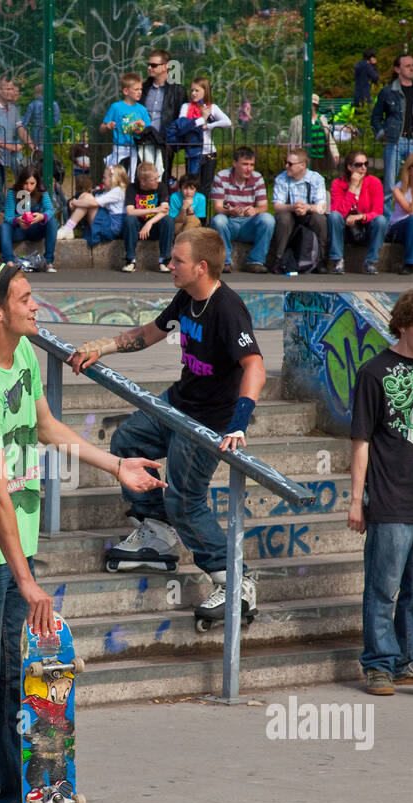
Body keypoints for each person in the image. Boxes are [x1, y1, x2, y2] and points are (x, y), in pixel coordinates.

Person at [0, 258, 163, 803]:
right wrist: (26, 580)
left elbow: (46, 428)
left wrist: (116, 464)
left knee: (18, 684)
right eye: (26, 298)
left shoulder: (26, 357)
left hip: (12, 551)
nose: (37, 306)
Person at [70, 228, 264, 625]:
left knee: (185, 499)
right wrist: (99, 347)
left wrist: (239, 424)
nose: (169, 265)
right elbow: (147, 335)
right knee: (127, 440)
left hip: (208, 422)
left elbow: (255, 367)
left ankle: (235, 580)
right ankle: (157, 530)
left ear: (201, 267)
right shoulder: (186, 297)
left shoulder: (227, 309)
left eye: (177, 260)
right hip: (178, 404)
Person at [348, 288, 413, 696]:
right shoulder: (374, 372)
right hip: (389, 498)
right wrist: (357, 500)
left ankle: (408, 658)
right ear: (404, 326)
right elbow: (360, 440)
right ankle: (378, 665)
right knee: (383, 585)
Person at [370, 54, 413, 215]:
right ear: (397, 69)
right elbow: (376, 117)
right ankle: (387, 220)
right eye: (407, 66)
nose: (412, 68)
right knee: (390, 184)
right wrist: (382, 133)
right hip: (395, 140)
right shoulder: (388, 92)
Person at [209, 147, 275, 274]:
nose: (249, 168)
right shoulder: (221, 177)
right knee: (218, 220)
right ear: (235, 164)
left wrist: (255, 210)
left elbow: (264, 207)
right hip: (230, 222)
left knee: (268, 219)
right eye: (245, 164)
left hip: (248, 224)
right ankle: (225, 262)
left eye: (252, 165)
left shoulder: (257, 178)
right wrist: (229, 211)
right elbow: (217, 208)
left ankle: (256, 261)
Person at [270, 147, 329, 274]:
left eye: (290, 164)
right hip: (290, 212)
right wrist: (293, 207)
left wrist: (307, 207)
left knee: (320, 219)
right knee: (283, 218)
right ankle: (279, 259)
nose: (286, 166)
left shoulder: (316, 179)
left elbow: (321, 206)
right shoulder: (281, 179)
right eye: (286, 162)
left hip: (308, 212)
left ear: (302, 165)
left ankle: (321, 260)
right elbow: (277, 205)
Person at [328, 149, 387, 274]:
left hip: (365, 227)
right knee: (334, 216)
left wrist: (361, 217)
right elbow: (339, 211)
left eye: (366, 164)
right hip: (345, 229)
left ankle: (371, 261)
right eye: (359, 165)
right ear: (349, 167)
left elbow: (378, 211)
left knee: (381, 221)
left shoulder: (374, 182)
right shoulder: (338, 184)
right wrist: (352, 187)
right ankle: (337, 260)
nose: (363, 168)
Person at [0, 164, 58, 271]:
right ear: (21, 182)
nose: (29, 187)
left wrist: (42, 216)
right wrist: (17, 220)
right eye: (25, 183)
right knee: (4, 226)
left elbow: (50, 210)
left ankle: (48, 261)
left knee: (52, 221)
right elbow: (8, 216)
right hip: (18, 230)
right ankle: (9, 261)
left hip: (35, 229)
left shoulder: (42, 192)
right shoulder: (12, 193)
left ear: (37, 183)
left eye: (32, 183)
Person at [177, 76, 230, 187]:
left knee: (205, 187)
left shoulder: (211, 107)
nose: (193, 93)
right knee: (192, 186)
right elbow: (182, 125)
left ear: (205, 92)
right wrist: (201, 119)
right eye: (192, 90)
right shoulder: (186, 107)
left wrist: (209, 126)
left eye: (197, 90)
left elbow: (227, 122)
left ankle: (204, 205)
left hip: (208, 153)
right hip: (192, 153)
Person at [57, 164, 128, 245]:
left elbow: (94, 203)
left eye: (105, 178)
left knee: (87, 198)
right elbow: (93, 200)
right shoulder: (109, 191)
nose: (102, 180)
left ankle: (69, 227)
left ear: (113, 179)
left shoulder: (117, 191)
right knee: (86, 196)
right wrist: (77, 200)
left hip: (112, 227)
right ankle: (69, 228)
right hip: (109, 224)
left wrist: (75, 202)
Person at [121, 160, 172, 272]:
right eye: (153, 179)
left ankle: (165, 260)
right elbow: (130, 211)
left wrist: (150, 222)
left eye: (157, 177)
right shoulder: (132, 188)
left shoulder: (161, 187)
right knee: (129, 220)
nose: (157, 181)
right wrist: (155, 209)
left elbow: (165, 211)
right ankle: (130, 260)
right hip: (137, 228)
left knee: (168, 220)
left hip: (154, 227)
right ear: (143, 182)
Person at [141, 49, 187, 172]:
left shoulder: (178, 91)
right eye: (149, 65)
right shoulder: (143, 89)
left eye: (154, 65)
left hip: (164, 142)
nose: (150, 68)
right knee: (144, 177)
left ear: (165, 67)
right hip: (143, 140)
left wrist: (173, 143)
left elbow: (181, 118)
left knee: (163, 177)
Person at [100, 72, 150, 177]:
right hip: (119, 147)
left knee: (131, 176)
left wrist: (142, 126)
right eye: (136, 90)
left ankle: (129, 192)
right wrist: (107, 126)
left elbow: (149, 130)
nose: (139, 92)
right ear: (126, 91)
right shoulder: (116, 107)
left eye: (141, 89)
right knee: (114, 174)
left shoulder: (142, 109)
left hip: (135, 147)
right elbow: (101, 128)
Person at [288, 93, 339, 180]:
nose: (311, 107)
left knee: (318, 177)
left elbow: (329, 137)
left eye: (313, 105)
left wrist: (335, 152)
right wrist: (291, 158)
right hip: (305, 154)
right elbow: (292, 140)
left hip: (320, 155)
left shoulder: (322, 119)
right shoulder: (296, 120)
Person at [21, 84, 60, 156]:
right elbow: (57, 122)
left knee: (38, 157)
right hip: (50, 136)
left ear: (38, 93)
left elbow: (25, 123)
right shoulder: (54, 104)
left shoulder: (33, 104)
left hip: (36, 136)